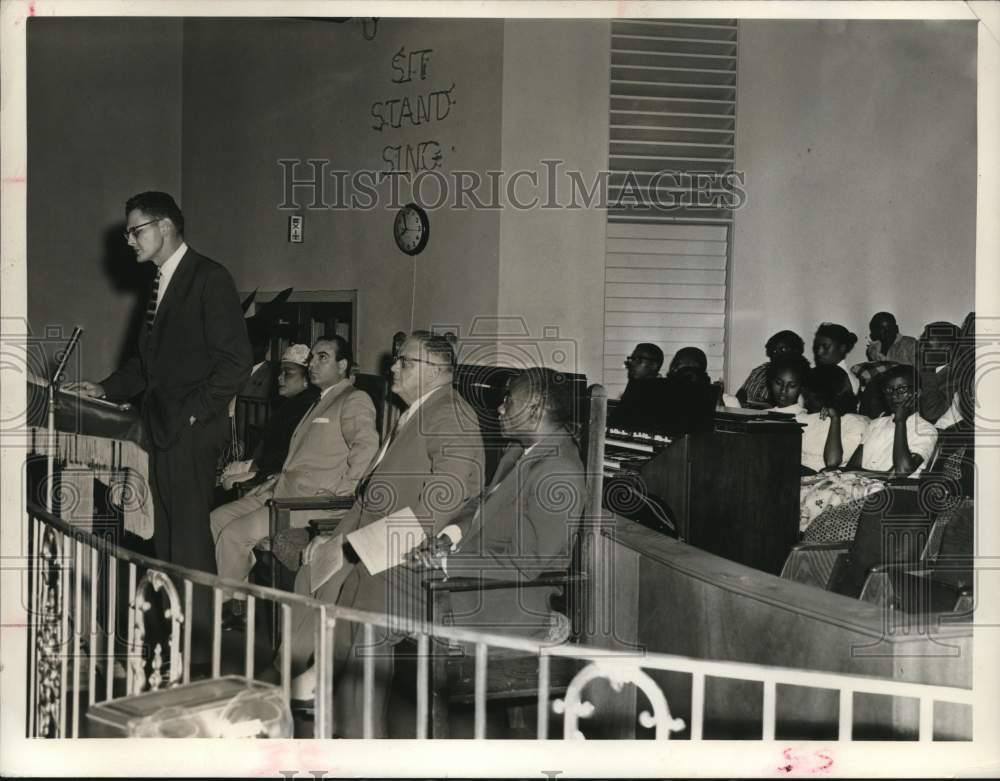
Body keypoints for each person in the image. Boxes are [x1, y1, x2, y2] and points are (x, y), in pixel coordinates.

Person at [278, 331, 485, 731]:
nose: (393, 367)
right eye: (397, 359)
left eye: (406, 361)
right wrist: (337, 537)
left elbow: (448, 498)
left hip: (415, 558)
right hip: (378, 541)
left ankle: (355, 728)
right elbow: (369, 494)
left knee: (360, 594)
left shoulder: (451, 414)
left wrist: (363, 548)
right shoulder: (416, 411)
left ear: (439, 372)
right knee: (312, 565)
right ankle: (310, 679)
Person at [66, 192, 252, 572]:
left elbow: (237, 363)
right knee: (164, 538)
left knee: (187, 542)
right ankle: (172, 624)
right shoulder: (160, 282)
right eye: (128, 234)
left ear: (164, 226)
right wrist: (105, 388)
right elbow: (145, 364)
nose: (130, 240)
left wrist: (191, 416)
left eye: (136, 231)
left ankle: (198, 629)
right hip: (160, 428)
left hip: (189, 431)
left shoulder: (208, 278)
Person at [209, 335, 379, 629]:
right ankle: (240, 597)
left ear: (343, 365)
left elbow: (367, 449)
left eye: (323, 357)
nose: (313, 364)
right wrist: (275, 479)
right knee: (216, 519)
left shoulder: (353, 399)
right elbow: (305, 458)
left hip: (306, 505)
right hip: (281, 492)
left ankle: (230, 607)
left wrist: (341, 495)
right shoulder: (319, 401)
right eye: (312, 357)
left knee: (234, 535)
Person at [219, 343, 319, 489]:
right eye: (280, 372)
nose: (280, 378)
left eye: (288, 373)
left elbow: (288, 454)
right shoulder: (290, 405)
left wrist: (250, 466)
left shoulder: (304, 408)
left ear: (307, 380)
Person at [798, 365, 868, 473]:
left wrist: (835, 420)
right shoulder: (806, 418)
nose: (805, 398)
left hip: (823, 479)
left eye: (807, 393)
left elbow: (832, 462)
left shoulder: (856, 423)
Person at [736, 330, 805, 408]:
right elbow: (741, 393)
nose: (777, 354)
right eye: (774, 351)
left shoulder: (801, 376)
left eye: (783, 349)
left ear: (796, 351)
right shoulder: (760, 370)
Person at [916, 320, 961, 424]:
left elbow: (932, 414)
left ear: (947, 350)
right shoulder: (920, 368)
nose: (921, 349)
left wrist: (929, 371)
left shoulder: (956, 377)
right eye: (921, 343)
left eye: (927, 345)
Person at [812, 322, 860, 395]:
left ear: (842, 348)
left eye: (826, 347)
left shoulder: (849, 382)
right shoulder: (818, 373)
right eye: (817, 347)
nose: (819, 352)